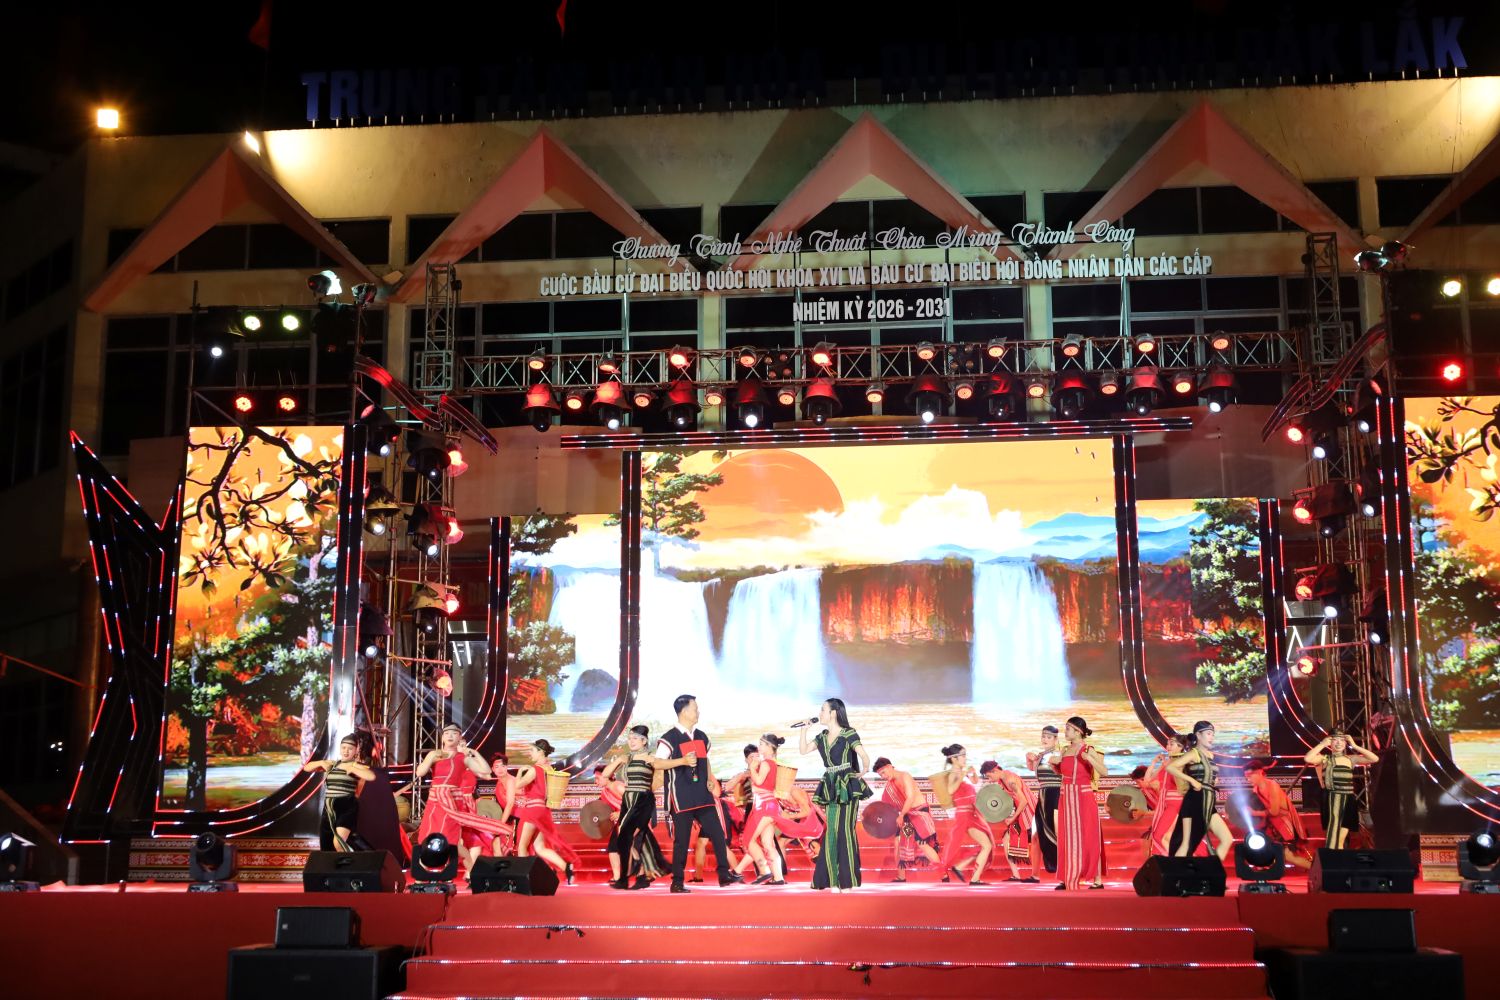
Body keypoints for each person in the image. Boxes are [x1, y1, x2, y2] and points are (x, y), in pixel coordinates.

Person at [657, 693, 743, 893]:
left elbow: (706, 761)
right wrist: (682, 761)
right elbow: (657, 763)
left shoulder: (701, 736)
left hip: (703, 795)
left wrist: (710, 779)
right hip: (681, 796)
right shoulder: (669, 738)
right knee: (682, 841)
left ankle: (724, 874)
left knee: (718, 834)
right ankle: (677, 882)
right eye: (695, 708)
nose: (698, 712)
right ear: (684, 712)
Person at [412, 724, 512, 876]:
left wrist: (474, 753)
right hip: (436, 801)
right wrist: (431, 757)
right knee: (426, 838)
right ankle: (421, 876)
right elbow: (420, 773)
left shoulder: (463, 758)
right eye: (447, 733)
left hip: (453, 802)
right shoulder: (435, 754)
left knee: (451, 841)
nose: (450, 736)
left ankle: (471, 873)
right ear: (442, 737)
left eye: (454, 733)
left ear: (459, 738)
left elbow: (486, 771)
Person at [800, 697, 871, 892]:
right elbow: (803, 750)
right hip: (830, 784)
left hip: (847, 784)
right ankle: (832, 880)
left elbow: (863, 755)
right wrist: (804, 729)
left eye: (823, 710)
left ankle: (846, 881)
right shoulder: (822, 737)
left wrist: (863, 770)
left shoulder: (848, 733)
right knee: (831, 831)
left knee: (845, 830)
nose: (820, 713)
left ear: (833, 713)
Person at [500, 738, 582, 884]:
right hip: (543, 810)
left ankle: (524, 879)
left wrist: (520, 772)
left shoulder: (535, 769)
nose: (529, 753)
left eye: (532, 750)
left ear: (540, 752)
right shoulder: (549, 769)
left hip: (532, 809)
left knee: (521, 847)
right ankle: (566, 867)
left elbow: (517, 786)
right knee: (540, 847)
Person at [600, 724, 671, 889]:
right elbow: (604, 775)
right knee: (635, 839)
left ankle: (628, 876)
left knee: (626, 836)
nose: (631, 741)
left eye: (635, 738)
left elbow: (663, 773)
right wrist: (619, 760)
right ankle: (640, 876)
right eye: (629, 738)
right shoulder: (627, 758)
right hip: (628, 800)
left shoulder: (650, 757)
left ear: (644, 741)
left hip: (643, 800)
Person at [1165, 720, 1233, 861]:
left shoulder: (1210, 755)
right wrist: (1192, 780)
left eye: (1213, 734)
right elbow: (1171, 767)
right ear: (1198, 735)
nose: (1211, 737)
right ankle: (1176, 873)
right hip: (1194, 801)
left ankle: (1212, 871)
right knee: (1186, 844)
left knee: (1227, 839)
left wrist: (1213, 780)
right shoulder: (1193, 753)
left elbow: (1208, 774)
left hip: (1208, 801)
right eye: (1208, 734)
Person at [1053, 716, 1107, 890]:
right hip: (1066, 796)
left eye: (1068, 729)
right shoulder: (1065, 750)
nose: (1065, 732)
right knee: (1066, 836)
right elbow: (1064, 772)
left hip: (1083, 797)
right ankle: (1069, 875)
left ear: (1078, 731)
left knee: (1089, 835)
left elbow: (1104, 772)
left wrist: (1089, 758)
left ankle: (1097, 879)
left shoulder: (1088, 749)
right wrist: (1054, 765)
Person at [1304, 727, 1379, 849]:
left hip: (1348, 800)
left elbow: (1374, 759)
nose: (1338, 742)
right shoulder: (1325, 759)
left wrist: (1354, 745)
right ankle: (1331, 858)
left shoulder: (1350, 759)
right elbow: (1307, 758)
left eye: (1342, 740)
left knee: (1340, 839)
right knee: (1332, 836)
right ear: (1330, 741)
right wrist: (1322, 744)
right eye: (1335, 740)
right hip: (1332, 799)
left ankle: (1338, 859)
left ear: (1345, 742)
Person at [304, 733, 376, 852]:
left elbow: (371, 776)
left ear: (356, 751)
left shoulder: (356, 765)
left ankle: (352, 863)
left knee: (338, 843)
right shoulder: (333, 764)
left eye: (350, 749)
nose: (346, 751)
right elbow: (307, 768)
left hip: (346, 806)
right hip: (329, 806)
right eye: (343, 748)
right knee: (327, 846)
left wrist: (353, 769)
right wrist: (321, 762)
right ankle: (339, 864)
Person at [872, 757, 941, 881]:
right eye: (880, 775)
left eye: (883, 772)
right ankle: (901, 877)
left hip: (919, 813)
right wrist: (869, 815)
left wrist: (902, 815)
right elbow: (884, 806)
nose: (883, 776)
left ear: (889, 766)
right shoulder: (889, 786)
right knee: (897, 843)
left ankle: (943, 875)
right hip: (907, 816)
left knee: (922, 844)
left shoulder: (905, 776)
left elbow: (910, 797)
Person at [734, 736, 788, 884]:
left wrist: (752, 767)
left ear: (770, 747)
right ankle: (778, 878)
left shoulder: (765, 763)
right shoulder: (774, 763)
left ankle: (764, 870)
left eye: (762, 744)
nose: (759, 747)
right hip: (770, 806)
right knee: (768, 844)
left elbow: (758, 781)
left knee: (748, 840)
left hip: (764, 806)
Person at [937, 744, 993, 885]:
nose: (965, 758)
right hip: (965, 816)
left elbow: (974, 782)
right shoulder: (954, 773)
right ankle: (973, 878)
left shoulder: (961, 772)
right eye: (962, 755)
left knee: (986, 845)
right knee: (986, 845)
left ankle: (963, 869)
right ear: (954, 759)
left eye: (965, 755)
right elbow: (950, 790)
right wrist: (962, 774)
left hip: (971, 814)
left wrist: (973, 774)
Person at [1244, 758, 1311, 870]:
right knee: (1262, 849)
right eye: (1246, 776)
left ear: (1260, 772)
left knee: (1289, 856)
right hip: (1273, 825)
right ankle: (1263, 873)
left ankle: (1319, 871)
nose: (1248, 779)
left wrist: (1255, 813)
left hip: (1285, 824)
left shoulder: (1272, 785)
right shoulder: (1256, 790)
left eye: (1250, 776)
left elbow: (1274, 811)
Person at [981, 760, 1040, 882]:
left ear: (995, 771)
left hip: (1031, 812)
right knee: (1007, 838)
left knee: (1042, 842)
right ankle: (1017, 875)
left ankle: (1029, 875)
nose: (989, 779)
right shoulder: (1003, 778)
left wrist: (1012, 818)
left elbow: (1023, 801)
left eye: (989, 776)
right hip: (1023, 812)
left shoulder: (1010, 781)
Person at [1144, 736, 1192, 857]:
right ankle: (1175, 862)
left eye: (1171, 744)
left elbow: (1184, 785)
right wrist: (1154, 763)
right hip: (1167, 803)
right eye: (1167, 744)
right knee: (1166, 837)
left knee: (1160, 836)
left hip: (1176, 803)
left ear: (1180, 747)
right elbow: (1147, 781)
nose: (1168, 747)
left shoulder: (1181, 762)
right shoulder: (1168, 762)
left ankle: (1174, 862)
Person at [1025, 725, 1062, 875]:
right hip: (1043, 796)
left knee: (1057, 832)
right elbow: (1031, 768)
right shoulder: (1040, 756)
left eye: (1049, 737)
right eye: (1043, 736)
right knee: (1038, 833)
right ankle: (1041, 872)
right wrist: (1028, 758)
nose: (1045, 739)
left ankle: (1065, 868)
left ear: (1055, 739)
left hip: (1056, 795)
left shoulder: (1060, 754)